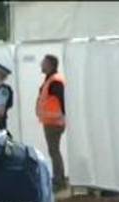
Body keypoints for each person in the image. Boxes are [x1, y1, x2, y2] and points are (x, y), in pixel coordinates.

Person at [37, 54, 66, 191]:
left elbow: (62, 99)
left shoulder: (55, 81)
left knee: (54, 151)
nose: (41, 65)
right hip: (51, 121)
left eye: (43, 62)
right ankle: (58, 178)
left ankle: (59, 180)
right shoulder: (51, 79)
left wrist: (63, 116)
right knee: (53, 151)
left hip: (54, 122)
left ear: (49, 64)